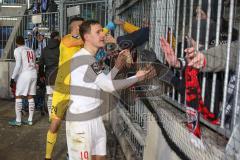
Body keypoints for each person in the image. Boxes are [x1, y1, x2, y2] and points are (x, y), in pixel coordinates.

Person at [66, 20, 156, 160]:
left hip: (95, 118)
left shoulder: (89, 59)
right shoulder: (84, 59)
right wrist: (137, 78)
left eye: (102, 30)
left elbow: (102, 83)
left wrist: (116, 68)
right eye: (98, 32)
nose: (103, 34)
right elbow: (107, 86)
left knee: (100, 157)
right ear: (87, 37)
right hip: (81, 122)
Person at [45, 17, 85, 160]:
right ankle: (48, 156)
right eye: (83, 26)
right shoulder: (66, 39)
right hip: (62, 89)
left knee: (75, 125)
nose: (86, 28)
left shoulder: (83, 44)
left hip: (78, 90)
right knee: (55, 124)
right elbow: (77, 41)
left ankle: (71, 154)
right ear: (75, 28)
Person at [9, 36, 37, 126]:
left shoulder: (18, 50)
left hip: (25, 74)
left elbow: (18, 65)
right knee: (30, 96)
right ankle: (30, 120)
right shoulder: (31, 50)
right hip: (34, 73)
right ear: (24, 41)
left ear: (16, 42)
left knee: (18, 95)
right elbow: (35, 63)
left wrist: (12, 78)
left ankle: (18, 120)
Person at [39, 31, 60, 119]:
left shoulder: (45, 49)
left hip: (49, 75)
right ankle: (56, 114)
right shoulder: (61, 48)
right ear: (57, 37)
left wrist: (41, 75)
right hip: (59, 75)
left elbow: (41, 64)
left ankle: (51, 117)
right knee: (58, 96)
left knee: (50, 96)